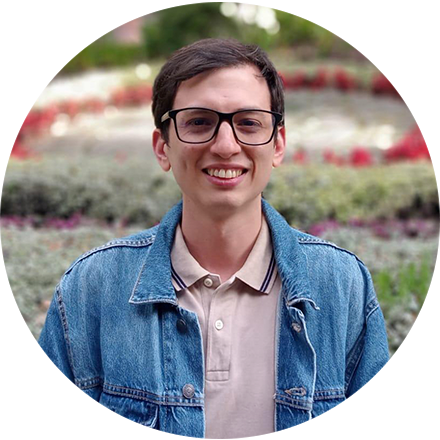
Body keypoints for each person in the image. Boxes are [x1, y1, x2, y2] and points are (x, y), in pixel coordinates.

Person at [21, 38, 399, 439]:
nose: (225, 145)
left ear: (278, 145)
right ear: (162, 147)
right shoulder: (92, 290)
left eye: (249, 122)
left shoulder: (341, 286)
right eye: (199, 122)